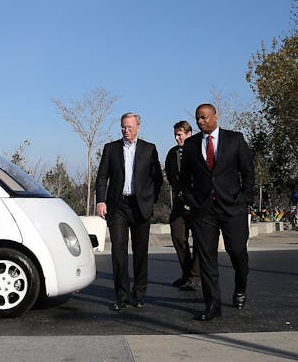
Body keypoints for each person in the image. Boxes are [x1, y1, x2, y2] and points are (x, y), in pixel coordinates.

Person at [180, 104, 255, 321]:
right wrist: (191, 199)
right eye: (197, 118)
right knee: (206, 258)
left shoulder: (235, 139)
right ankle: (212, 305)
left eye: (204, 117)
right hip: (203, 211)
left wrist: (244, 200)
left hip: (233, 208)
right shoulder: (192, 144)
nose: (200, 121)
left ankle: (240, 288)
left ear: (215, 117)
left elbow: (248, 172)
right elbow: (185, 179)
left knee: (237, 252)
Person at [96, 112, 163, 311]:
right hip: (118, 207)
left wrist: (151, 200)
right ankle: (122, 297)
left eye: (130, 127)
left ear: (138, 127)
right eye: (123, 127)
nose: (126, 130)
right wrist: (101, 200)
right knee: (118, 252)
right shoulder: (111, 149)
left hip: (140, 206)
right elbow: (102, 177)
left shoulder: (149, 149)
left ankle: (139, 294)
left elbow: (157, 178)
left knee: (141, 253)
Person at [164, 120, 201, 292]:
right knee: (178, 238)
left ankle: (195, 277)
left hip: (198, 204)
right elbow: (170, 175)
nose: (177, 137)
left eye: (180, 134)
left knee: (200, 241)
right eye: (175, 135)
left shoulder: (199, 150)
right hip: (179, 204)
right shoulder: (172, 153)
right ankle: (187, 275)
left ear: (189, 134)